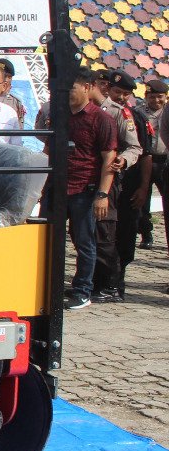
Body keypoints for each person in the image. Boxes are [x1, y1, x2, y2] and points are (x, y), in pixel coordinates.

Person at [59, 69, 117, 310]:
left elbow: (109, 159)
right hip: (59, 188)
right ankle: (52, 286)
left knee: (84, 242)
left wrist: (102, 195)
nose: (67, 93)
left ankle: (83, 290)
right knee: (52, 240)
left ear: (86, 87)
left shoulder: (101, 119)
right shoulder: (59, 115)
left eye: (71, 87)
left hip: (85, 189)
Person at [98, 71, 152, 302]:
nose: (120, 97)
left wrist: (143, 188)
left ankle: (117, 281)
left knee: (126, 233)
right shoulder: (97, 111)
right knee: (103, 233)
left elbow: (144, 153)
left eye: (125, 94)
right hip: (104, 180)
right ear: (108, 89)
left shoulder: (134, 117)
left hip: (128, 182)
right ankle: (101, 280)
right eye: (116, 92)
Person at [138, 78, 168, 251]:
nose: (157, 101)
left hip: (164, 160)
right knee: (143, 200)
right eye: (152, 97)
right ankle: (146, 234)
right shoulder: (139, 112)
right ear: (146, 97)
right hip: (146, 161)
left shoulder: (168, 112)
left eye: (160, 97)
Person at [0, 57, 27, 122]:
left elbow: (19, 128)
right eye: (4, 76)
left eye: (9, 77)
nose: (6, 80)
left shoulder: (15, 102)